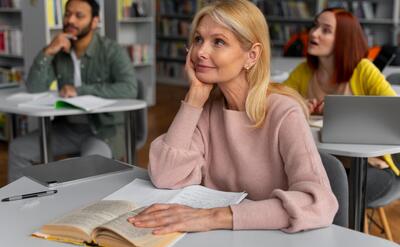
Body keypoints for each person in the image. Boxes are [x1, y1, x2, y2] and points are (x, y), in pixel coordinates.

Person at [127, 0, 337, 234]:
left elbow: (318, 204)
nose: (200, 52)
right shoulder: (205, 110)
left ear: (252, 55)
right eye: (198, 39)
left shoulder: (284, 112)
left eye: (218, 41)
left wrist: (213, 217)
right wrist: (194, 100)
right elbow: (166, 176)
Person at [8, 0, 137, 182]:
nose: (71, 20)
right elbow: (34, 87)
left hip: (103, 131)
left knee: (84, 168)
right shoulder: (60, 51)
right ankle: (18, 206)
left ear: (94, 21)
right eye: (68, 14)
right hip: (67, 129)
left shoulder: (111, 50)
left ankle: (78, 209)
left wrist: (80, 90)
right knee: (18, 149)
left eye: (79, 16)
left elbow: (130, 88)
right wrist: (48, 51)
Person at [282, 8, 398, 204]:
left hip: (369, 168)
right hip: (319, 163)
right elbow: (277, 102)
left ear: (344, 39)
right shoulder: (303, 71)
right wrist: (299, 105)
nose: (314, 33)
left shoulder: (363, 69)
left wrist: (343, 112)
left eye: (325, 30)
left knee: (329, 191)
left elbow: (394, 111)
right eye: (315, 26)